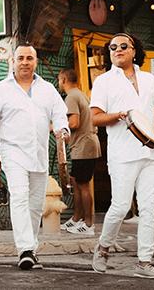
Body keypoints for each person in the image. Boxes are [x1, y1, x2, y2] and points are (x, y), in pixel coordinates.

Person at [90, 33, 154, 279]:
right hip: (122, 154)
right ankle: (103, 247)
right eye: (112, 47)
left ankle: (145, 262)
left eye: (123, 46)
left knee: (149, 208)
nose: (117, 50)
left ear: (133, 50)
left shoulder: (150, 79)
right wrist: (119, 115)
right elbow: (95, 117)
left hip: (151, 152)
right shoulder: (104, 81)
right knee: (120, 207)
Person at [0, 44, 69, 270]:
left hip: (39, 153)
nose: (24, 62)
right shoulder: (0, 90)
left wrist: (63, 129)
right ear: (13, 61)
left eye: (29, 58)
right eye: (20, 58)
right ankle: (25, 249)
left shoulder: (47, 89)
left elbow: (59, 114)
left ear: (36, 62)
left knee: (35, 204)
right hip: (12, 152)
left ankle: (31, 249)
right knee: (19, 196)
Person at [57, 69, 101, 235]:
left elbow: (74, 123)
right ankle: (77, 219)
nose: (59, 84)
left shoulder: (71, 97)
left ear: (64, 79)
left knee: (82, 185)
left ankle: (88, 224)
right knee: (77, 182)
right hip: (85, 145)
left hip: (83, 146)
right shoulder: (81, 94)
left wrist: (58, 127)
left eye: (59, 80)